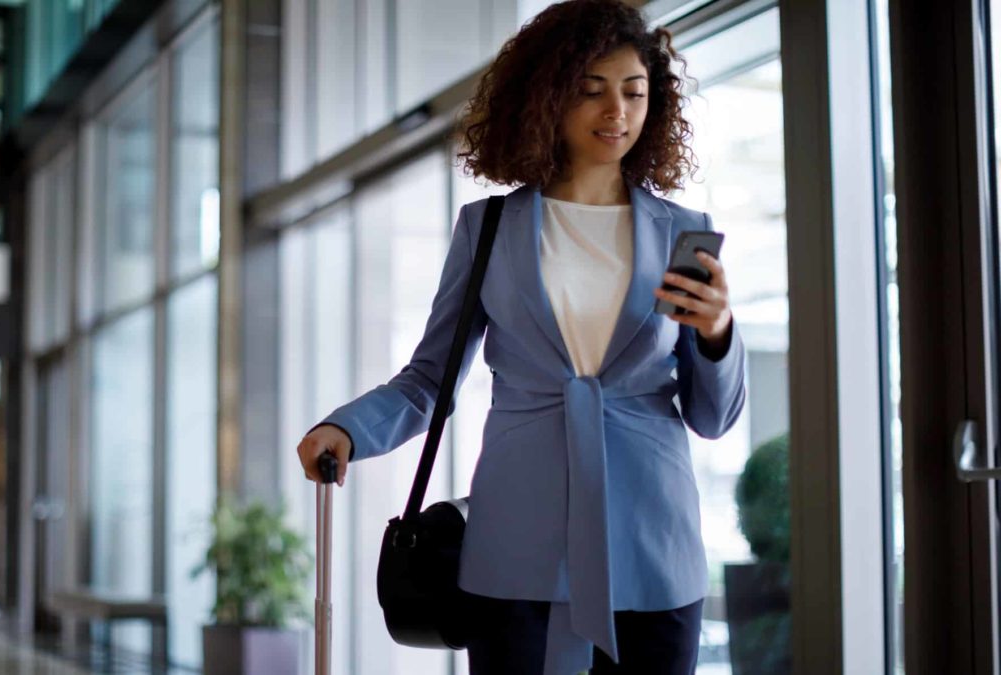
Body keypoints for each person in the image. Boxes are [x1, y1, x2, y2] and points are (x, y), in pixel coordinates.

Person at [296, 2, 746, 673]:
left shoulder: (682, 232)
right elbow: (429, 379)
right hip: (518, 543)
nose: (616, 112)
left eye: (634, 92)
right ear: (548, 96)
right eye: (591, 91)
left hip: (653, 543)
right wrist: (350, 429)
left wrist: (717, 333)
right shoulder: (489, 230)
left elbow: (712, 416)